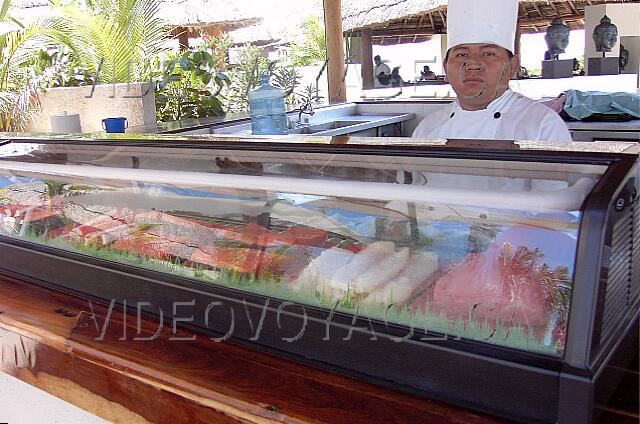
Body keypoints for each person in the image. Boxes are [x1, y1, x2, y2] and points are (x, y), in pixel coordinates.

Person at [412, 0, 572, 142]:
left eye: (488, 54)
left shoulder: (543, 125)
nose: (473, 64)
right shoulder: (427, 129)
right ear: (445, 67)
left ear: (513, 66)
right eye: (461, 54)